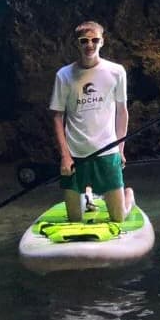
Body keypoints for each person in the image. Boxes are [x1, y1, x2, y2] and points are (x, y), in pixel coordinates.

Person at [50, 20, 134, 223]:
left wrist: (120, 149)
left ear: (102, 42)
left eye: (95, 40)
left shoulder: (116, 72)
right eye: (84, 41)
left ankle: (128, 196)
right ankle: (89, 196)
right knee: (74, 220)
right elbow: (57, 115)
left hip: (107, 150)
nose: (90, 45)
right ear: (77, 44)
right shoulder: (64, 75)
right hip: (76, 153)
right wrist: (65, 156)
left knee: (119, 218)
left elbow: (122, 111)